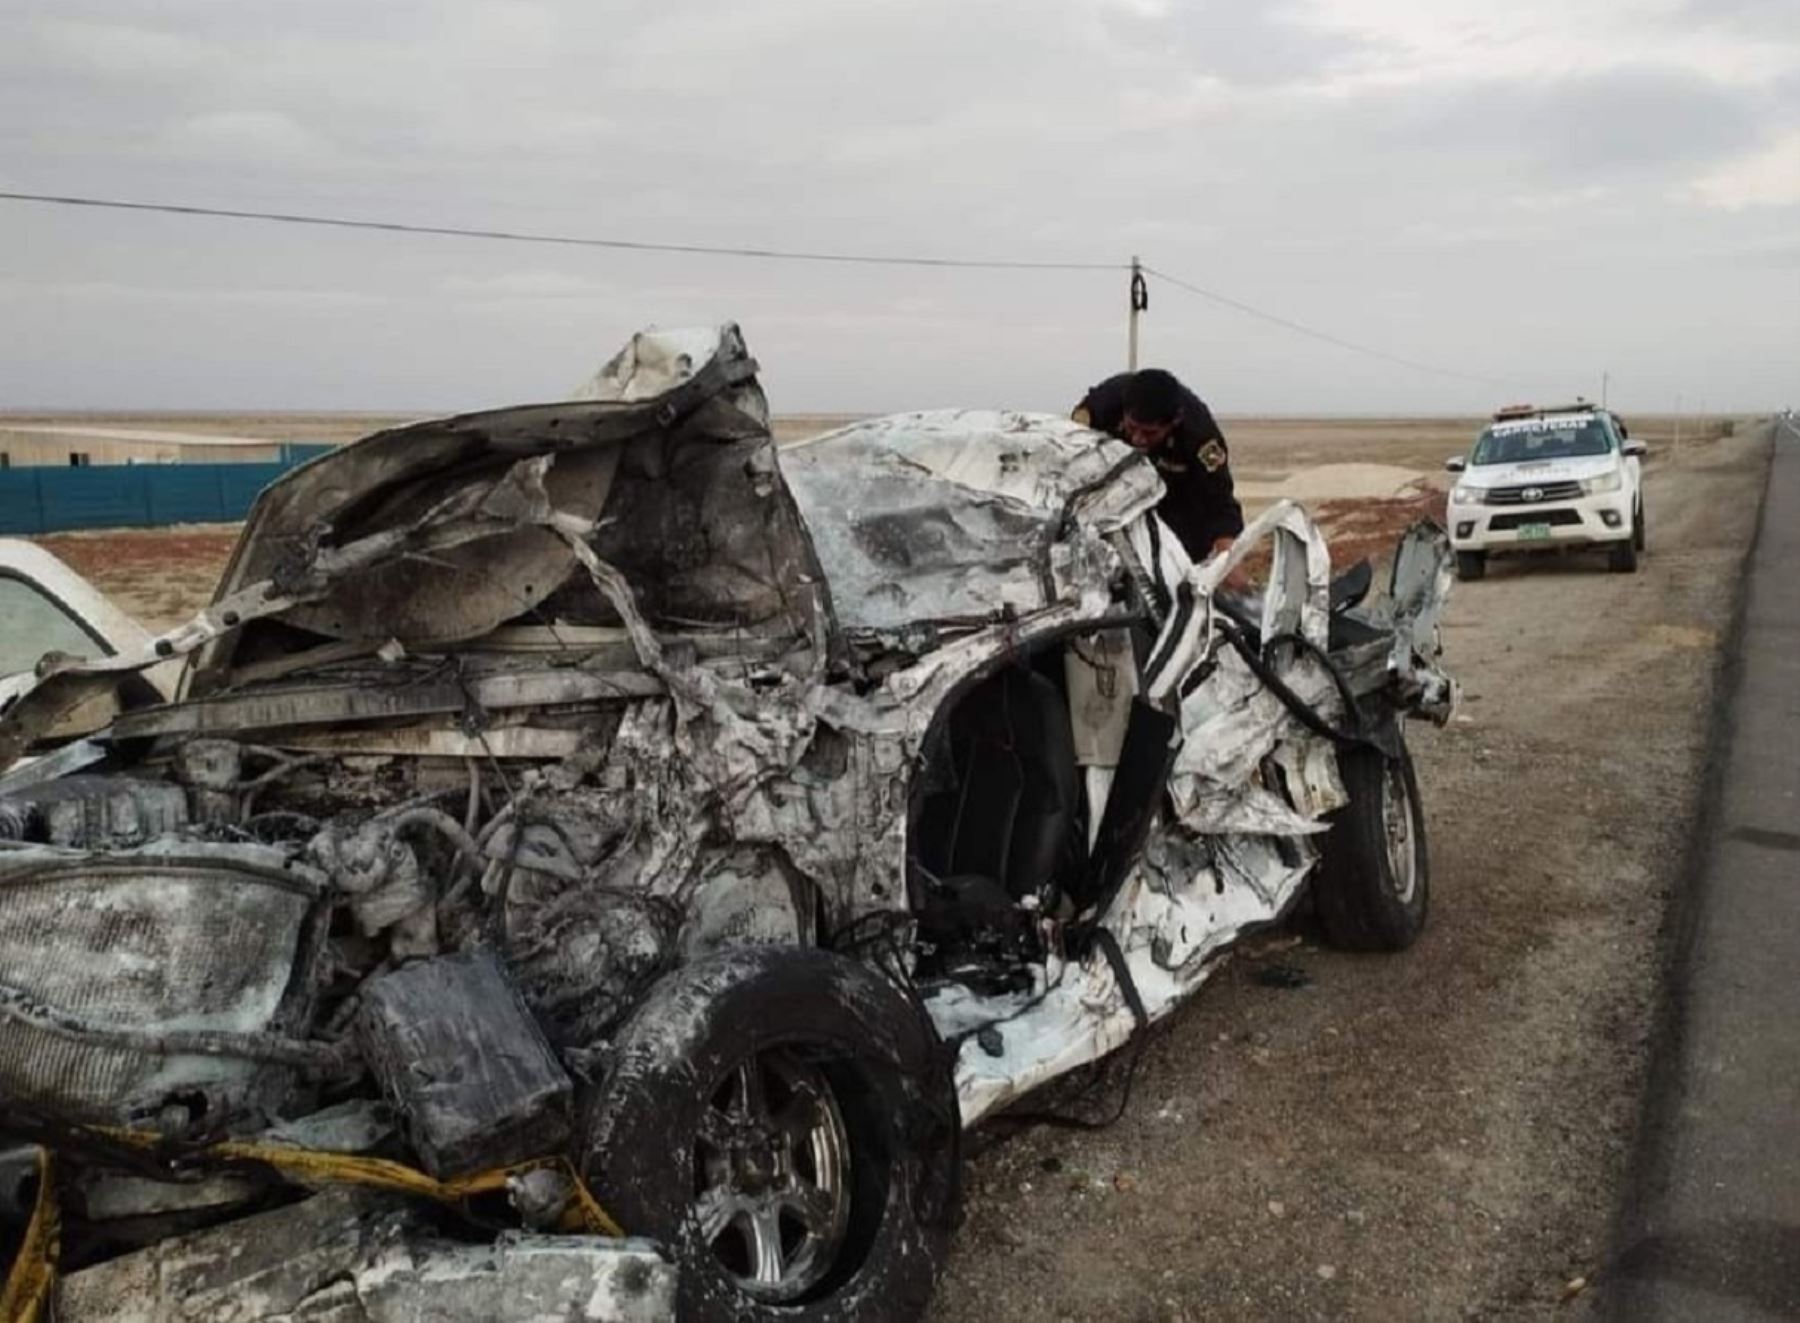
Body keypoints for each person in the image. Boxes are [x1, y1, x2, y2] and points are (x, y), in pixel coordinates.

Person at [1072, 368, 1244, 563]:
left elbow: (1219, 500)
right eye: (1131, 428)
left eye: (1149, 433)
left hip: (1177, 501)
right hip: (1110, 494)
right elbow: (1069, 452)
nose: (1137, 439)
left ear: (1174, 422)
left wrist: (1226, 556)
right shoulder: (1102, 405)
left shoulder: (1200, 436)